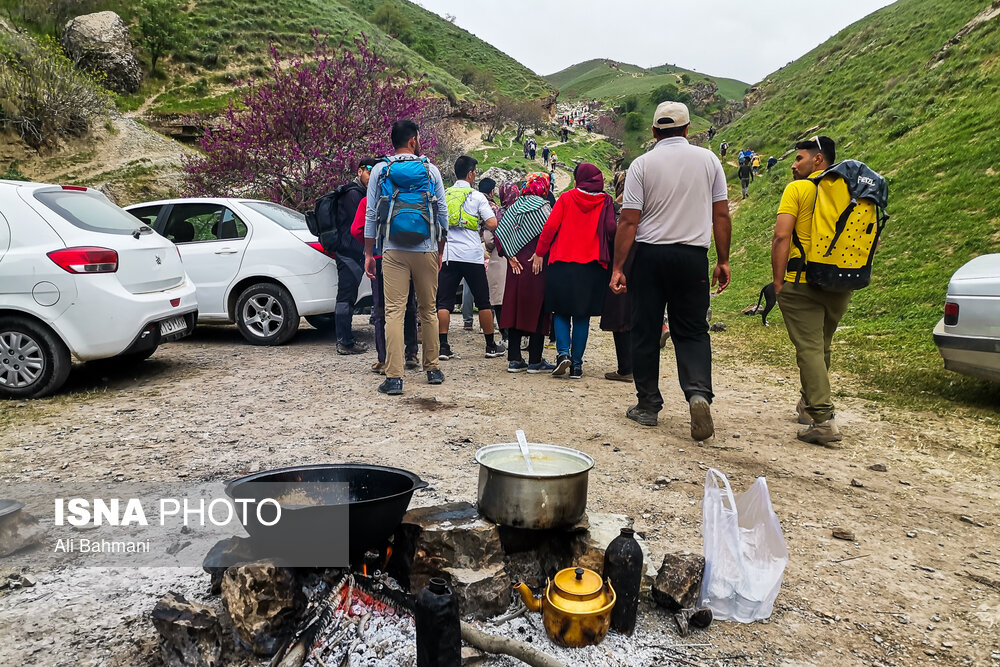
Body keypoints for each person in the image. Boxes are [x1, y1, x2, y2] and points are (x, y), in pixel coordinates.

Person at [610, 101, 731, 441]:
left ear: (653, 131)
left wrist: (618, 267)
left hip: (649, 257)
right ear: (688, 129)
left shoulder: (642, 165)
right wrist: (723, 260)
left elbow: (629, 220)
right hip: (692, 257)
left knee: (646, 330)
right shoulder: (709, 160)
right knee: (692, 331)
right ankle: (697, 394)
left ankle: (648, 406)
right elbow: (720, 215)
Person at [770, 135, 846, 446]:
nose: (793, 164)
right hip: (842, 281)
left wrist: (778, 281)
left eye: (799, 158)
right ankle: (808, 404)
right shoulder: (850, 189)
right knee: (822, 346)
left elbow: (781, 237)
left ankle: (824, 420)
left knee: (810, 349)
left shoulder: (798, 189)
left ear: (818, 160)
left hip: (802, 281)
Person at [364, 119, 448, 395]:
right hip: (425, 248)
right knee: (428, 310)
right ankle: (433, 369)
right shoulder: (430, 170)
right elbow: (443, 215)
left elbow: (371, 215)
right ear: (413, 141)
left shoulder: (380, 170)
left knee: (393, 313)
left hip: (393, 249)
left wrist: (369, 252)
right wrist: (439, 249)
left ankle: (395, 377)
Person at [532, 163, 614, 379]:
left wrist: (540, 252)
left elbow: (550, 227)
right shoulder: (605, 201)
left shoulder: (567, 198)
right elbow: (611, 229)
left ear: (578, 178)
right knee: (582, 315)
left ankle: (563, 354)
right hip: (592, 266)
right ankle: (577, 365)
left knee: (560, 311)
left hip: (562, 263)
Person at [437, 156, 505, 360]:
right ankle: (490, 346)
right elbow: (493, 223)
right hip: (472, 256)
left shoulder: (446, 193)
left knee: (444, 302)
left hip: (449, 254)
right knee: (483, 301)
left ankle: (443, 347)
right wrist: (477, 223)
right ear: (470, 173)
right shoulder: (476, 196)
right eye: (475, 171)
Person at [351, 192, 420, 374]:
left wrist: (370, 248)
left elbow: (357, 230)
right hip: (408, 254)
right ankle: (411, 352)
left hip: (381, 257)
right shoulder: (408, 196)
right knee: (409, 305)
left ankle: (384, 358)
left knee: (382, 309)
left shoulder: (368, 201)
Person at [496, 179, 554, 373]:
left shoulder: (513, 208)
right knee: (537, 309)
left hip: (516, 267)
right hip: (537, 265)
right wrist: (541, 253)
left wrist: (509, 256)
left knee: (514, 308)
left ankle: (514, 359)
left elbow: (500, 234)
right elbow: (551, 232)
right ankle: (535, 361)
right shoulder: (544, 207)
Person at [331, 158, 377, 355]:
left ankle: (346, 339)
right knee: (345, 298)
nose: (371, 177)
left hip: (351, 252)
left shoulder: (356, 193)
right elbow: (360, 226)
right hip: (348, 253)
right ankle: (345, 342)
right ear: (359, 171)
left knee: (347, 297)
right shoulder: (353, 195)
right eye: (368, 172)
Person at [601, 170, 632, 382]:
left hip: (619, 263)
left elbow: (608, 233)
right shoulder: (648, 206)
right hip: (644, 262)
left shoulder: (615, 207)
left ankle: (626, 368)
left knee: (620, 317)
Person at [479, 178, 507, 342]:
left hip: (476, 252)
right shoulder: (495, 209)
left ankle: (481, 324)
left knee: (485, 294)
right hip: (498, 256)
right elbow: (491, 237)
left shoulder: (474, 201)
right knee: (499, 295)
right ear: (492, 192)